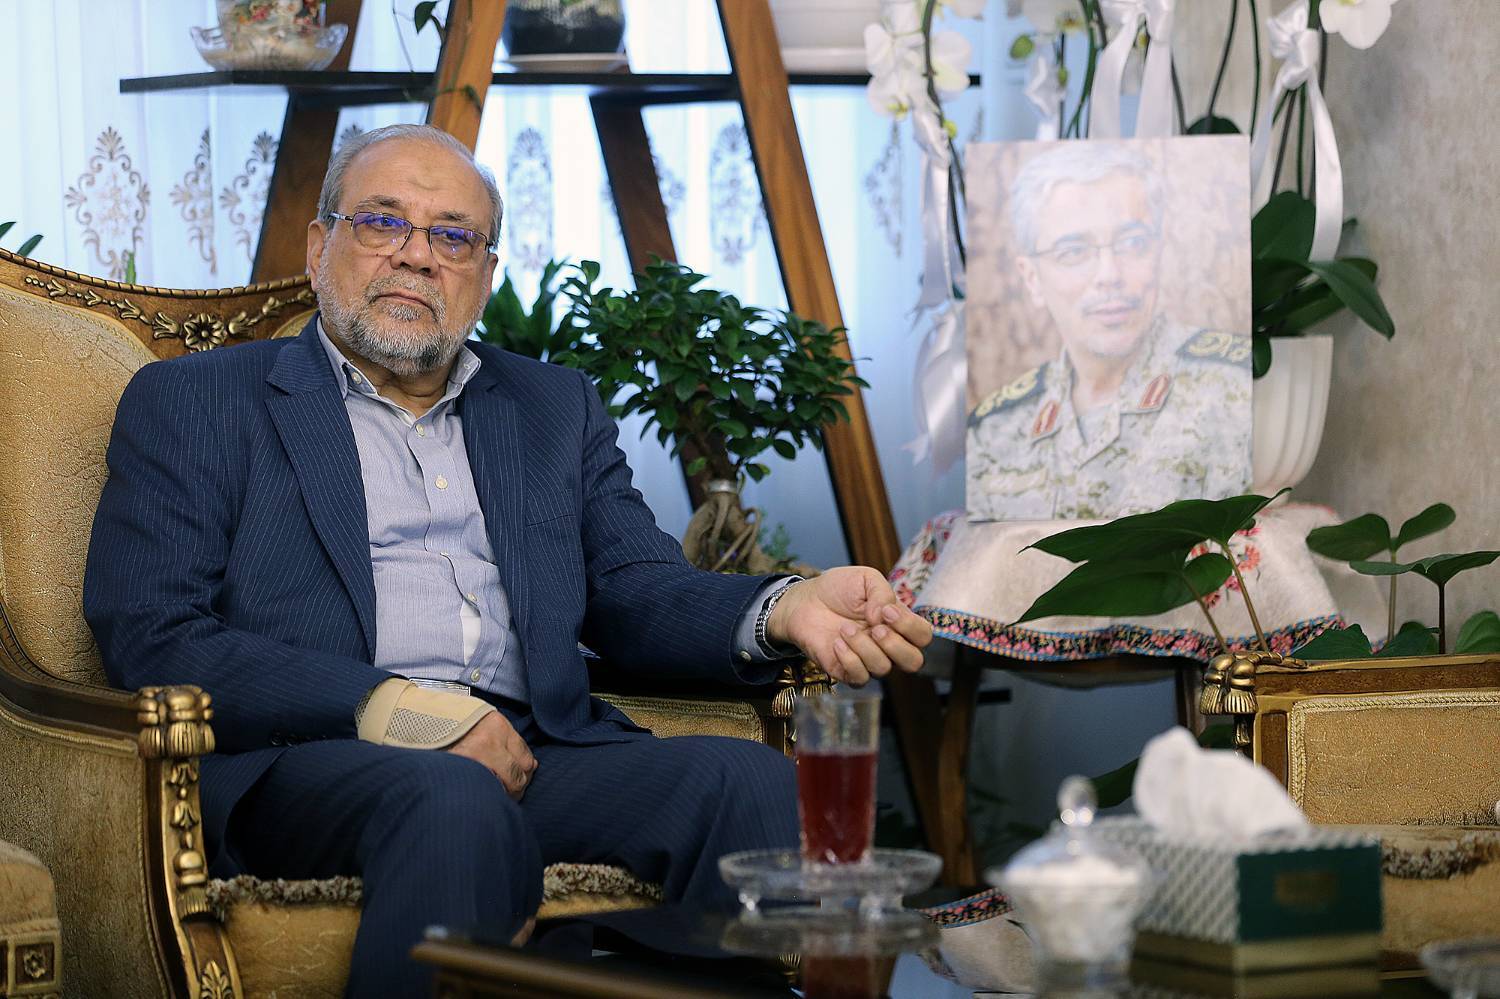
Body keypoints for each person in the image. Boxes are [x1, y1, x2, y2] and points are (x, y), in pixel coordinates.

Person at [83, 124, 932, 997]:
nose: (418, 255)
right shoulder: (199, 400)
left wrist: (784, 607)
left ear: (485, 274)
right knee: (454, 798)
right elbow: (154, 631)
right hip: (317, 754)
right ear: (318, 245)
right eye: (382, 222)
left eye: (453, 236)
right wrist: (405, 712)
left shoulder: (550, 405)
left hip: (535, 748)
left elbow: (633, 587)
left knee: (748, 781)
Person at [967, 143, 1251, 521]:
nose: (1109, 275)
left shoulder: (1234, 387)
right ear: (1032, 278)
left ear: (1160, 253)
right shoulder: (995, 430)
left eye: (1132, 244)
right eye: (1073, 252)